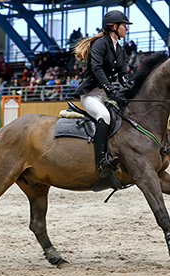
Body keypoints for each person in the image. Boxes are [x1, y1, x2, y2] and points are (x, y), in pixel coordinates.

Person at [73, 10, 132, 178]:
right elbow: (96, 68)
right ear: (115, 27)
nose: (126, 29)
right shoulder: (100, 44)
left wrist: (128, 83)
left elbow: (123, 72)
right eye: (124, 26)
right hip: (92, 94)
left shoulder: (120, 49)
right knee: (104, 116)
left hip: (106, 95)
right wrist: (109, 88)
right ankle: (101, 161)